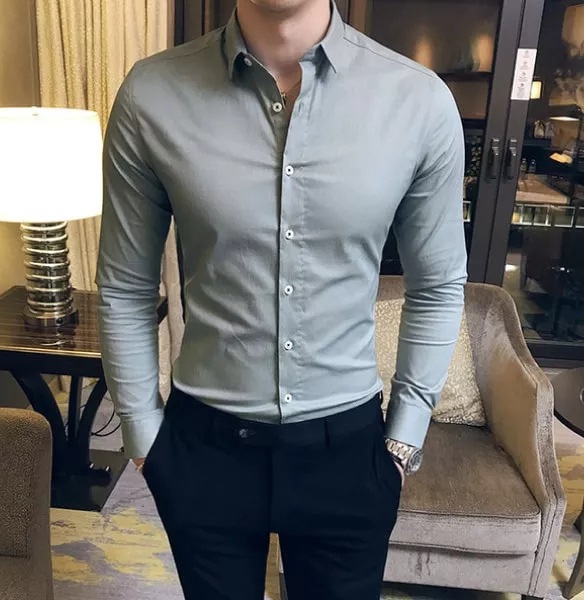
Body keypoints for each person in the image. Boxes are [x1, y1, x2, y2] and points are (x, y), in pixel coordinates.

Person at [96, 0, 467, 597]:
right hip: (203, 451)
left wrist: (403, 438)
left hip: (348, 455)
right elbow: (125, 285)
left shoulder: (418, 101)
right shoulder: (152, 94)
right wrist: (143, 436)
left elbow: (439, 285)